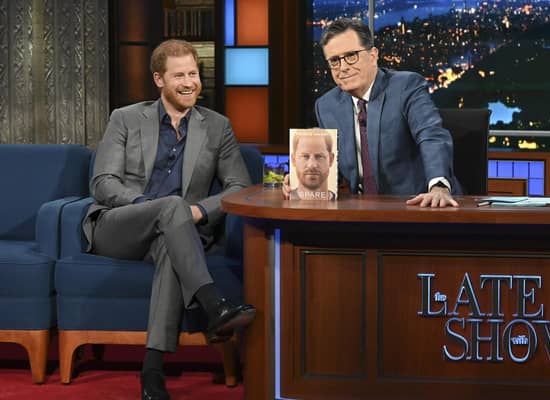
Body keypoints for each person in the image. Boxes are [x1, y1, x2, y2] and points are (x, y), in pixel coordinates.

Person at [84, 39, 256, 400]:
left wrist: (199, 211)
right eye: (179, 75)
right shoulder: (126, 118)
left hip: (180, 231)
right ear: (159, 79)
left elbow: (240, 186)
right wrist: (153, 206)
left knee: (170, 240)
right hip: (120, 224)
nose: (189, 82)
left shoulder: (217, 126)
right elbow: (103, 183)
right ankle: (214, 305)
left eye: (193, 73)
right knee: (170, 207)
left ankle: (152, 371)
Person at [287, 18, 461, 208]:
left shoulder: (406, 87)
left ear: (373, 55)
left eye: (351, 55)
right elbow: (330, 167)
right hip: (363, 215)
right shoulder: (327, 106)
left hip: (419, 206)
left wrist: (438, 187)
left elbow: (431, 136)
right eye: (335, 61)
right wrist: (302, 180)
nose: (343, 67)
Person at [289, 132, 336, 200]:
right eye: (305, 156)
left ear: (331, 160)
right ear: (293, 160)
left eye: (319, 156)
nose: (312, 165)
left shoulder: (342, 201)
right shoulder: (286, 197)